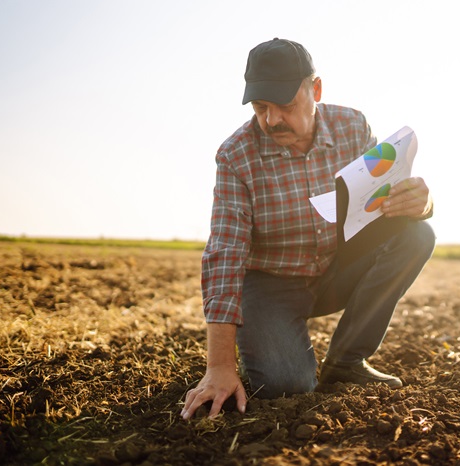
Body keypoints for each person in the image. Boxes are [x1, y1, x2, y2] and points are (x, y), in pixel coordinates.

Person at [181, 38, 435, 420]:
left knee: (416, 234)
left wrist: (421, 204)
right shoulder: (235, 156)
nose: (272, 120)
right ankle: (274, 345)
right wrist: (219, 365)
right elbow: (225, 253)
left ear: (314, 89)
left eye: (285, 105)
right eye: (261, 107)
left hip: (334, 269)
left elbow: (382, 205)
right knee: (287, 386)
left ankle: (346, 362)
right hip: (270, 286)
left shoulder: (353, 127)